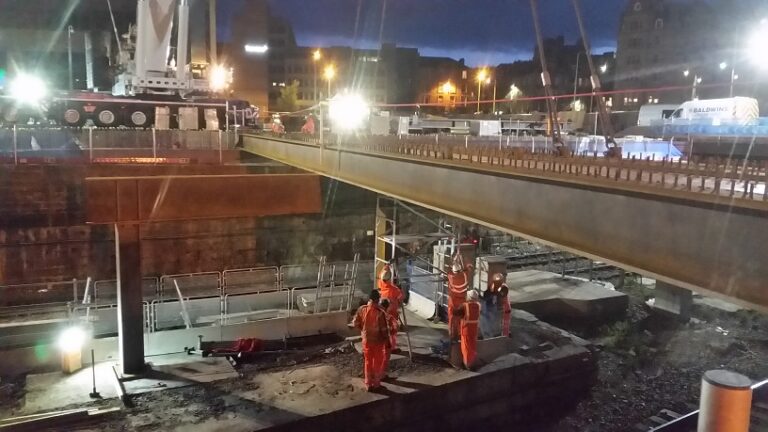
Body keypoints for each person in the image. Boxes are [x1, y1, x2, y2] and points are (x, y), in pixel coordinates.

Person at [352, 290, 390, 391]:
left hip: (366, 341)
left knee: (368, 362)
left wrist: (363, 331)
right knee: (377, 362)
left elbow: (355, 323)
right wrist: (387, 341)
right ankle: (376, 384)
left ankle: (368, 383)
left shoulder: (362, 309)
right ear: (378, 299)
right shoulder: (380, 313)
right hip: (378, 342)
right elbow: (384, 330)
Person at [446, 255, 473, 341]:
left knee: (452, 318)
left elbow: (448, 271)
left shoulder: (452, 276)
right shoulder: (465, 275)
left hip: (453, 301)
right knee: (461, 318)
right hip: (462, 300)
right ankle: (460, 334)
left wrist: (454, 260)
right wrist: (463, 259)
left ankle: (452, 335)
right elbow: (469, 267)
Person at [453, 289, 481, 369]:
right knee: (472, 347)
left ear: (468, 297)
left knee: (466, 348)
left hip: (466, 331)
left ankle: (467, 365)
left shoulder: (464, 306)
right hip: (474, 331)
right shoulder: (478, 305)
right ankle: (472, 362)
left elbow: (455, 312)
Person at [379, 298, 400, 378]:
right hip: (385, 341)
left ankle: (373, 376)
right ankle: (382, 375)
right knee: (385, 358)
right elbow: (395, 328)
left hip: (373, 341)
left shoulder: (372, 314)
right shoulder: (389, 317)